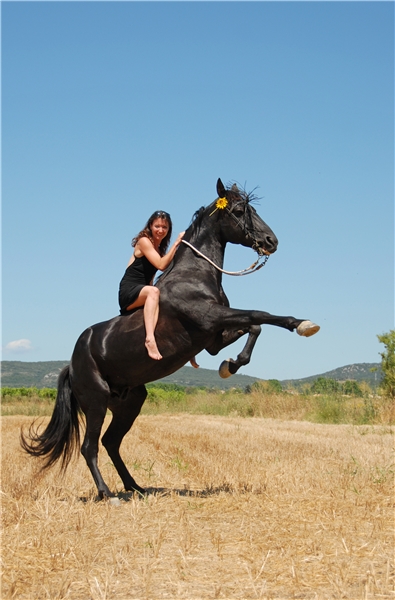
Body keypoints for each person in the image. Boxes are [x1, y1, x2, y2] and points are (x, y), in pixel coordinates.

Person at [118, 210, 185, 361]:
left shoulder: (160, 250)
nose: (160, 230)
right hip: (129, 290)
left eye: (165, 227)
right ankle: (150, 340)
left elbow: (151, 278)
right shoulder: (144, 241)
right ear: (150, 226)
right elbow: (161, 265)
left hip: (144, 289)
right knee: (154, 292)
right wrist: (177, 243)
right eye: (157, 226)